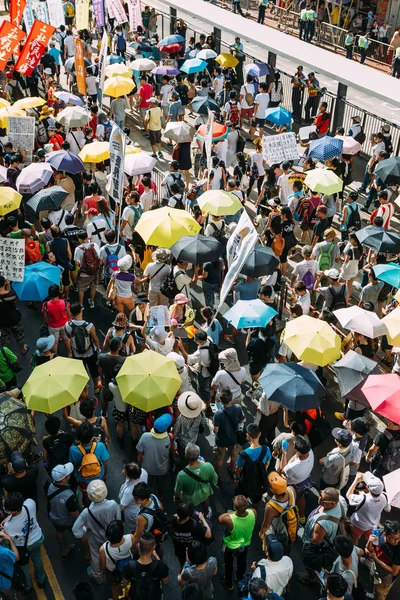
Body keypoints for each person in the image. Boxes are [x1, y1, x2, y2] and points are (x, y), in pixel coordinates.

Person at [72, 480, 120, 585]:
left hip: (95, 538)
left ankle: (97, 576)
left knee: (95, 556)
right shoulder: (113, 504)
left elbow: (76, 530)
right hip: (111, 536)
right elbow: (118, 521)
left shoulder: (87, 512)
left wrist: (85, 529)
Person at [298, 488, 348, 583]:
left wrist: (308, 551)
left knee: (309, 563)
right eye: (320, 495)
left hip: (318, 545)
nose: (320, 499)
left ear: (333, 503)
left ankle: (311, 578)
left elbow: (316, 541)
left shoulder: (323, 523)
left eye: (323, 499)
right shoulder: (341, 500)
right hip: (332, 538)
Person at [2, 492, 47, 593]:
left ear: (12, 511)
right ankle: (41, 580)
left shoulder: (9, 526)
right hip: (37, 538)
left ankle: (27, 585)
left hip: (23, 546)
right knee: (38, 559)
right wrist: (9, 518)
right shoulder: (30, 503)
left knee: (24, 567)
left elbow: (10, 540)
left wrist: (4, 531)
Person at [219, 495, 256, 591]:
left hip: (230, 546)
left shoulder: (229, 519)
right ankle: (238, 576)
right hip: (245, 544)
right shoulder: (254, 513)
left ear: (235, 508)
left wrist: (234, 511)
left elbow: (220, 518)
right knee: (242, 561)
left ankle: (229, 584)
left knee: (228, 564)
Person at [69, 422, 110, 506]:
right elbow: (104, 462)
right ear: (92, 436)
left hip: (83, 479)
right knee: (100, 492)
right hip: (99, 475)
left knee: (85, 494)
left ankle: (87, 508)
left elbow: (73, 464)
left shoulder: (73, 450)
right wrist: (104, 475)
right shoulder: (100, 446)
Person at [44, 462, 79, 559]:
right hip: (67, 520)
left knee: (59, 532)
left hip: (54, 516)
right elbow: (75, 514)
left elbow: (47, 499)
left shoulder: (47, 484)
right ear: (65, 478)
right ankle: (86, 552)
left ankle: (64, 550)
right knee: (80, 532)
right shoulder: (69, 495)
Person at [346, 471, 391, 545]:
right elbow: (388, 509)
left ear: (368, 488)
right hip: (373, 526)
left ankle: (355, 549)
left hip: (358, 524)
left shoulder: (362, 498)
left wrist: (356, 480)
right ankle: (370, 548)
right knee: (371, 541)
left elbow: (348, 495)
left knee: (354, 539)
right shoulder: (385, 496)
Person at [66, 302, 102, 393]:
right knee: (93, 371)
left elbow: (69, 336)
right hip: (90, 353)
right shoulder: (89, 326)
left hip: (76, 354)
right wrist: (98, 348)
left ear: (71, 313)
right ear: (81, 311)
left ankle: (85, 387)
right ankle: (96, 387)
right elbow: (95, 339)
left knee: (81, 371)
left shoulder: (68, 325)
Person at [174, 442, 217, 516]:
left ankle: (191, 515)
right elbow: (214, 479)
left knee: (189, 507)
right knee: (205, 500)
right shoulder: (208, 466)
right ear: (199, 455)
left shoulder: (181, 475)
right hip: (204, 492)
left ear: (186, 456)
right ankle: (206, 513)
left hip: (189, 497)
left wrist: (176, 498)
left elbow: (177, 491)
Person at [212, 388, 246, 481]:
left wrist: (211, 424)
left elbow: (215, 431)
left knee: (220, 459)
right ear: (231, 399)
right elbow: (243, 420)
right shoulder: (238, 408)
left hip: (221, 440)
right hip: (233, 438)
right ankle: (232, 471)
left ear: (221, 402)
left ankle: (218, 476)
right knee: (233, 455)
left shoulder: (218, 414)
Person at [122, 532, 169, 599]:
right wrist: (156, 556)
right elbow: (165, 581)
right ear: (154, 547)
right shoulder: (160, 565)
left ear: (138, 546)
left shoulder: (129, 565)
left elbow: (124, 583)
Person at [280, 435, 314, 523]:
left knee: (295, 498)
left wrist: (284, 453)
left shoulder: (293, 467)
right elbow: (296, 457)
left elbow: (283, 470)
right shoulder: (309, 451)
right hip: (305, 478)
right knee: (301, 497)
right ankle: (302, 516)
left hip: (295, 483)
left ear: (298, 450)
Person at [136, 413, 172, 499]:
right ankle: (160, 497)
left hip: (147, 468)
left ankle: (147, 499)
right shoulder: (168, 438)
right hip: (162, 470)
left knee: (147, 485)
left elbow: (139, 451)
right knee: (161, 486)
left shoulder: (145, 436)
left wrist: (140, 458)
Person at [235, 423, 270, 509]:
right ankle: (254, 515)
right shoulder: (266, 449)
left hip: (245, 483)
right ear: (260, 434)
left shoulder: (243, 454)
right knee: (256, 502)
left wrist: (236, 478)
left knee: (241, 499)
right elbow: (267, 464)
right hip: (259, 483)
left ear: (247, 435)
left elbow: (238, 469)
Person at [99, 520, 135, 600]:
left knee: (115, 589)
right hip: (128, 568)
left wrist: (102, 570)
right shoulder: (130, 538)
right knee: (129, 584)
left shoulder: (103, 549)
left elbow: (103, 565)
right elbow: (134, 550)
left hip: (113, 572)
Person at [365, 520, 400, 600]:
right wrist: (369, 541)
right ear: (385, 534)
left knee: (380, 593)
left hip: (386, 577)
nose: (396, 541)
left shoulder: (398, 550)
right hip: (375, 568)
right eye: (393, 539)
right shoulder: (379, 533)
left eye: (398, 538)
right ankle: (374, 594)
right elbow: (370, 549)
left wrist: (375, 559)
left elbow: (394, 572)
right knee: (374, 584)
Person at [170, 502, 212, 569]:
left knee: (182, 562)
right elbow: (208, 535)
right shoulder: (194, 525)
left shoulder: (171, 521)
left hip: (179, 549)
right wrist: (202, 519)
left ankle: (183, 571)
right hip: (193, 549)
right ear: (188, 516)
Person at [0, 275, 28, 355]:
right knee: (19, 334)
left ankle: (6, 354)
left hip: (1, 321)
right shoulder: (11, 294)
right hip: (13, 318)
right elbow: (10, 297)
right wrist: (9, 285)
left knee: (4, 339)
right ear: (5, 283)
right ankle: (23, 349)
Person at [74, 230, 101, 308]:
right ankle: (92, 302)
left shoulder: (78, 249)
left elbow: (77, 262)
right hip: (95, 271)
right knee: (93, 286)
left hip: (84, 273)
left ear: (80, 239)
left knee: (81, 288)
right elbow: (98, 257)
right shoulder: (94, 245)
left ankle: (81, 305)